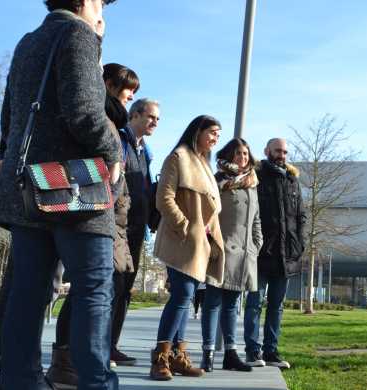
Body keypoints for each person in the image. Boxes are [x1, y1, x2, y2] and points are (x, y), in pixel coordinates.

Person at [0, 0, 122, 388]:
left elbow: (10, 120)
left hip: (28, 190)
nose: (103, 11)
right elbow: (85, 111)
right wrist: (113, 150)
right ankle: (96, 382)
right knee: (93, 290)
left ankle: (20, 381)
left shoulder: (27, 42)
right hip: (76, 190)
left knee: (27, 293)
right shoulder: (78, 34)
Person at [46, 62, 138, 388]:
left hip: (103, 213)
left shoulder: (114, 123)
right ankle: (82, 370)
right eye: (127, 96)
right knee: (92, 293)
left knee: (90, 292)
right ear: (109, 85)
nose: (128, 103)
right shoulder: (102, 118)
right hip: (90, 211)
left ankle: (69, 364)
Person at [149, 115, 224, 381]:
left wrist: (206, 231)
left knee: (186, 296)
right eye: (213, 132)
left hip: (197, 244)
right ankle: (160, 359)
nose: (216, 138)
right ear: (198, 131)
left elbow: (211, 208)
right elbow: (163, 198)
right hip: (179, 239)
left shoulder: (203, 164)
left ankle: (178, 357)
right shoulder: (178, 157)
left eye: (218, 134)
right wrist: (184, 225)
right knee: (182, 295)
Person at [200, 138, 262, 373]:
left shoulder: (251, 184)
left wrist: (256, 244)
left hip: (245, 255)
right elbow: (208, 215)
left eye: (246, 154)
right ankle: (208, 353)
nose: (243, 158)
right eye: (238, 153)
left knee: (232, 305)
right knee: (213, 302)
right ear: (228, 155)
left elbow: (256, 220)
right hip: (221, 250)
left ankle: (230, 354)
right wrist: (212, 243)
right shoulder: (218, 181)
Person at [245, 138, 305, 369]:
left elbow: (301, 215)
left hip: (286, 255)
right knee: (254, 303)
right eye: (278, 150)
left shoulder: (293, 180)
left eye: (285, 151)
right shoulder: (256, 175)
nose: (282, 154)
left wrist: (299, 244)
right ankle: (253, 351)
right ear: (267, 151)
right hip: (261, 253)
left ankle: (271, 352)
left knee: (277, 306)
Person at [111, 96, 159, 367]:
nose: (155, 122)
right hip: (119, 228)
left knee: (126, 290)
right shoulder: (120, 141)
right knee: (113, 288)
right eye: (151, 117)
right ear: (135, 115)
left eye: (157, 119)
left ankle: (111, 346)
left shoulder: (144, 151)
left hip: (138, 230)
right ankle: (97, 347)